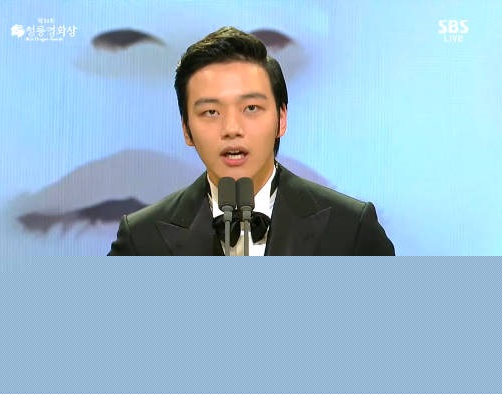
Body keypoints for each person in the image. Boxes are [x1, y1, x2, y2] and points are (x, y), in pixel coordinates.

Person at [108, 26, 394, 256]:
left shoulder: (350, 229)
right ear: (186, 129)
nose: (232, 129)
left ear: (281, 119)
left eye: (251, 108)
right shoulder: (141, 240)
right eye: (211, 112)